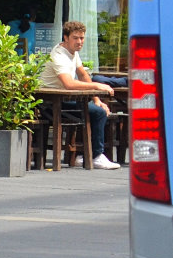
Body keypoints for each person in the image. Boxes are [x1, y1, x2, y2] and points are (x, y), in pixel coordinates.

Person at [38, 20, 120, 170]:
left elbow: (82, 74)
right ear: (66, 38)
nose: (79, 41)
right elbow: (69, 83)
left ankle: (83, 156)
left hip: (65, 100)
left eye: (82, 38)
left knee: (98, 109)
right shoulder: (59, 55)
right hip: (50, 104)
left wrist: (96, 99)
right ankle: (95, 156)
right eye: (75, 38)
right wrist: (97, 85)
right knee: (98, 113)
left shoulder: (72, 53)